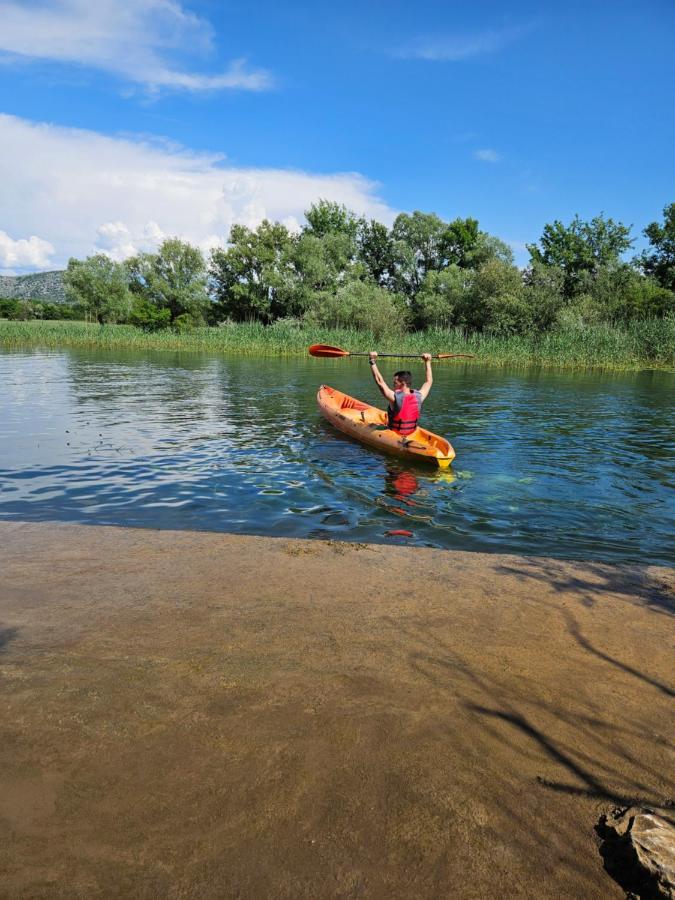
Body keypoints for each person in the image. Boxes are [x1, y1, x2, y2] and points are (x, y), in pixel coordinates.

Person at [368, 351, 433, 435]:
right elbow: (429, 381)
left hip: (394, 435)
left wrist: (372, 360)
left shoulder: (394, 398)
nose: (393, 385)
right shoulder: (420, 396)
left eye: (395, 383)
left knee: (371, 426)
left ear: (403, 384)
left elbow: (380, 382)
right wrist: (428, 362)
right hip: (411, 433)